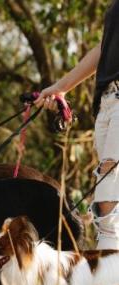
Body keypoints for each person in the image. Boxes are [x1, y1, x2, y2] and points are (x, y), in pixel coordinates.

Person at [35, 0, 119, 249]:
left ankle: (108, 283)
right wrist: (60, 87)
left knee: (108, 199)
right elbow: (104, 47)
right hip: (106, 102)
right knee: (109, 196)